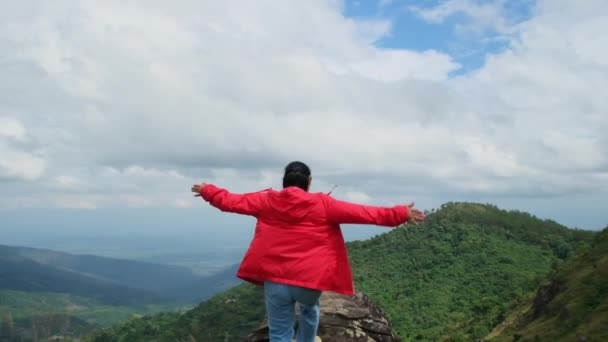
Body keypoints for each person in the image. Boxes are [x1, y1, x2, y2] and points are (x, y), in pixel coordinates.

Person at [191, 161, 425, 342]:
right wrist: (401, 213)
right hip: (309, 282)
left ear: (284, 180)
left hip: (275, 279)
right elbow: (366, 213)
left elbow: (231, 201)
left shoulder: (266, 201)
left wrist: (207, 190)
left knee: (279, 331)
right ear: (309, 181)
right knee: (310, 309)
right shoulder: (324, 204)